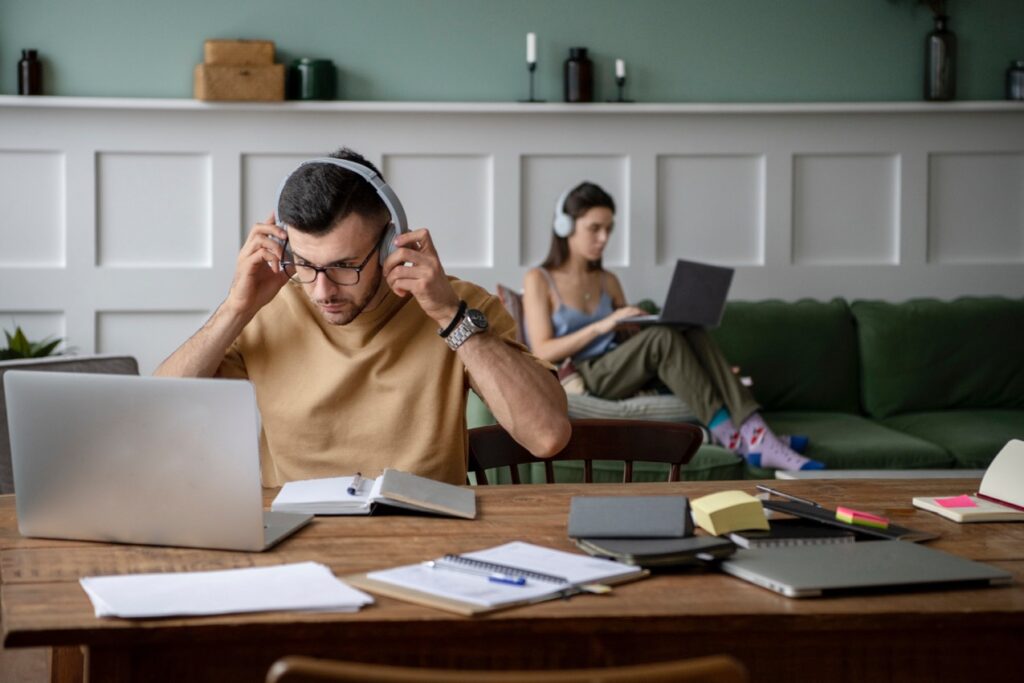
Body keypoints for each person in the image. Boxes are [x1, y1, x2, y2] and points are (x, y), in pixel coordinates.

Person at [155, 147, 570, 486]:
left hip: (426, 539)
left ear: (391, 246)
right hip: (295, 540)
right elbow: (155, 421)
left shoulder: (457, 305)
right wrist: (235, 308)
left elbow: (547, 436)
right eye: (304, 264)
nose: (322, 290)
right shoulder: (264, 311)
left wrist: (449, 315)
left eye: (344, 266)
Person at [522, 181, 823, 471]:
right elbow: (543, 350)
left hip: (622, 368)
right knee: (661, 340)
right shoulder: (539, 279)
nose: (603, 238)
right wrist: (603, 326)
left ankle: (755, 433)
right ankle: (743, 439)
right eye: (594, 228)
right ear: (566, 226)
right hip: (582, 374)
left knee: (688, 328)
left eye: (609, 229)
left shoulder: (608, 280)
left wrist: (633, 325)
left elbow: (630, 345)